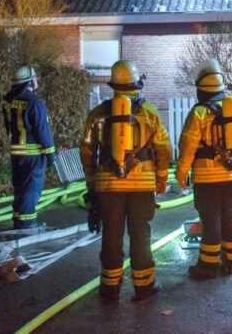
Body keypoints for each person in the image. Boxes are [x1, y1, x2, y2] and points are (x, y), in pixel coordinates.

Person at [79, 60, 172, 301]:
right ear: (136, 84)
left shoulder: (98, 114)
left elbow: (87, 150)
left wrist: (92, 183)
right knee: (140, 233)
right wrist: (161, 179)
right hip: (141, 186)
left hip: (108, 187)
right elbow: (164, 149)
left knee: (111, 234)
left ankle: (110, 288)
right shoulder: (149, 112)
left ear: (113, 85)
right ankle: (144, 285)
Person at [175, 59, 232, 279]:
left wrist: (181, 175)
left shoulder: (198, 113)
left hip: (207, 179)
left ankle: (207, 267)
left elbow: (187, 147)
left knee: (211, 219)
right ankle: (231, 262)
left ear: (201, 90)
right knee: (230, 215)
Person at [2, 64, 57, 229]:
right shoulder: (35, 102)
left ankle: (19, 222)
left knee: (19, 189)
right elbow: (42, 131)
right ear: (29, 82)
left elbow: (8, 126)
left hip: (16, 154)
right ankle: (27, 226)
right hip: (33, 156)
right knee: (31, 191)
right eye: (35, 77)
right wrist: (51, 156)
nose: (37, 79)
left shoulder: (8, 101)